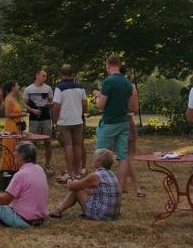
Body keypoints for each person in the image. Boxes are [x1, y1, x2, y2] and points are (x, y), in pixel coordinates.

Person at [0, 141, 48, 227]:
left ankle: (6, 220)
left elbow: (5, 200)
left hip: (24, 220)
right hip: (40, 220)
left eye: (16, 151)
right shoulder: (39, 169)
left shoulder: (20, 175)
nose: (13, 154)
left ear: (22, 155)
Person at [95, 55, 138, 188]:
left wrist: (97, 97)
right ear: (119, 65)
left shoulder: (108, 82)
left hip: (109, 122)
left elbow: (101, 105)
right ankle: (119, 188)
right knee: (122, 156)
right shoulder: (127, 83)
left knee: (100, 153)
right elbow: (132, 107)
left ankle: (99, 184)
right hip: (124, 122)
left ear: (108, 66)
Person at [50, 148, 121, 221]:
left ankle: (57, 211)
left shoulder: (96, 176)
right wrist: (73, 180)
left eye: (95, 157)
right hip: (113, 214)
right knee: (82, 188)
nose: (93, 159)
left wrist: (68, 178)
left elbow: (72, 186)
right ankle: (57, 211)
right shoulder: (112, 174)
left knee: (76, 189)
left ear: (99, 162)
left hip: (101, 215)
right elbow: (86, 187)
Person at [53, 64, 87, 182]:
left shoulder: (59, 87)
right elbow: (84, 103)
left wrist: (55, 120)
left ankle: (69, 173)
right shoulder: (80, 87)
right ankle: (77, 173)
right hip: (78, 120)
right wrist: (81, 113)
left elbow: (57, 106)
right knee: (78, 146)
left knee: (68, 146)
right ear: (72, 73)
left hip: (64, 121)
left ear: (61, 74)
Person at [119, 67, 144, 197]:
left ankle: (136, 188)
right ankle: (125, 187)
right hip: (129, 120)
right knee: (128, 157)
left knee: (125, 157)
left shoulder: (113, 85)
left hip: (119, 121)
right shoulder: (131, 87)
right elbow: (135, 107)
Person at [23, 69, 54, 173]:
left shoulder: (48, 88)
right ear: (37, 75)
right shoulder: (28, 89)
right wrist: (32, 110)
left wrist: (47, 105)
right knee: (32, 142)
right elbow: (25, 104)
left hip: (45, 116)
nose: (45, 78)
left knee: (48, 141)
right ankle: (32, 166)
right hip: (33, 117)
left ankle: (48, 165)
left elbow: (52, 102)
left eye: (46, 76)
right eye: (43, 76)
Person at [0, 81, 25, 171]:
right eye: (17, 85)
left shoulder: (13, 98)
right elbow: (7, 114)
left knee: (16, 148)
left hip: (17, 125)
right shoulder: (8, 99)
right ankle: (7, 170)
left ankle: (16, 168)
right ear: (12, 87)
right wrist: (21, 115)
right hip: (11, 125)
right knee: (10, 148)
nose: (19, 86)